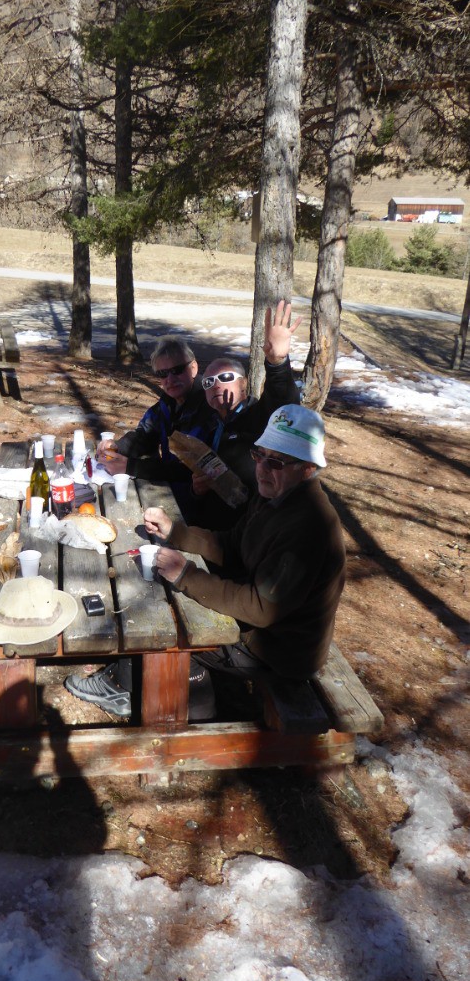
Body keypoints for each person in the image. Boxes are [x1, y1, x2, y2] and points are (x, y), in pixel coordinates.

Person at [64, 404, 346, 720]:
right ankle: (188, 696)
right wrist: (176, 532)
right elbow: (232, 544)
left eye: (277, 461)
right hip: (265, 627)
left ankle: (150, 697)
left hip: (279, 650)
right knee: (171, 600)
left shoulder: (308, 526)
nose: (263, 469)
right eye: (259, 455)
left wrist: (185, 573)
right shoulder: (275, 497)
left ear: (307, 468)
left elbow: (260, 609)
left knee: (168, 623)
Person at [193, 300, 301, 529]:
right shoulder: (210, 424)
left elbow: (284, 403)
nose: (216, 386)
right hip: (212, 526)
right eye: (208, 382)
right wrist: (198, 489)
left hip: (251, 529)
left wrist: (277, 363)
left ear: (244, 384)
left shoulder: (261, 417)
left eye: (225, 378)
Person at [96, 335, 209, 517]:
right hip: (169, 488)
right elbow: (145, 435)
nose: (170, 379)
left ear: (193, 367)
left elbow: (188, 470)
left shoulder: (208, 405)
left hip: (198, 502)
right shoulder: (169, 401)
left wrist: (131, 467)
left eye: (177, 370)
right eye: (162, 374)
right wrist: (117, 446)